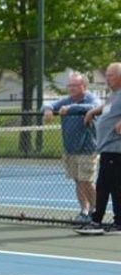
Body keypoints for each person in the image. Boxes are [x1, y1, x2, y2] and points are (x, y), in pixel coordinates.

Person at [42, 72, 100, 223]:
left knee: (86, 180)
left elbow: (95, 106)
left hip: (88, 149)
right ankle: (84, 211)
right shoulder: (66, 100)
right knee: (78, 180)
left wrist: (71, 109)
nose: (72, 88)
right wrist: (48, 109)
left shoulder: (90, 98)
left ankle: (95, 212)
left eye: (75, 85)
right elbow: (48, 105)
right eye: (70, 85)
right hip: (70, 149)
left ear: (84, 86)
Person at [77, 63, 121, 234]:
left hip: (115, 149)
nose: (107, 78)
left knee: (105, 186)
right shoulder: (114, 95)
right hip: (108, 149)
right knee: (111, 187)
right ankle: (114, 222)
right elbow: (108, 109)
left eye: (110, 75)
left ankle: (97, 221)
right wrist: (93, 111)